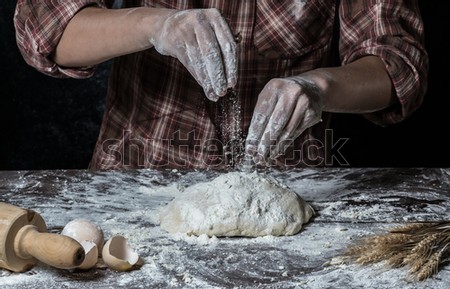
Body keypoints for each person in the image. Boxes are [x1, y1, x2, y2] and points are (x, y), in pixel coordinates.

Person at [14, 0, 428, 170]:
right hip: (137, 171)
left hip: (285, 179)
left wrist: (319, 86)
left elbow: (399, 68)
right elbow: (44, 26)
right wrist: (156, 25)